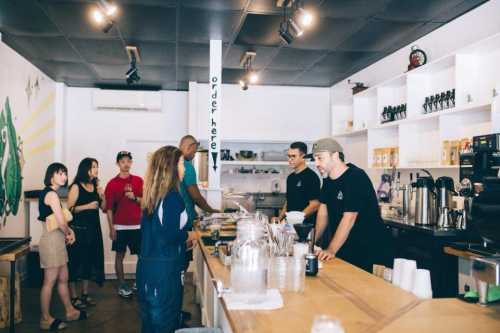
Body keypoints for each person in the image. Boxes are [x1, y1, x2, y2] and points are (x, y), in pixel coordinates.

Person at [137, 145, 197, 333]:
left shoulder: (153, 195)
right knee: (164, 323)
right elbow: (169, 235)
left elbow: (159, 232)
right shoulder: (172, 197)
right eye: (181, 163)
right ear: (170, 167)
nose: (184, 168)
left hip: (149, 268)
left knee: (151, 324)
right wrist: (192, 235)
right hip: (164, 271)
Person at [312, 138, 390, 272]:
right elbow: (322, 214)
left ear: (335, 155)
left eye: (320, 158)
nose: (316, 163)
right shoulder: (328, 181)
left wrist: (331, 249)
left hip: (368, 247)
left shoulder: (355, 177)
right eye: (315, 159)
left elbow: (349, 218)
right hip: (346, 245)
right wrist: (312, 242)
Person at [38, 163, 87, 331]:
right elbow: (60, 221)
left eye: (65, 173)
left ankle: (70, 311)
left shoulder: (53, 194)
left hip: (57, 240)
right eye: (60, 173)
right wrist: (69, 233)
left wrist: (68, 231)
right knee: (49, 281)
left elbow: (62, 221)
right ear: (51, 175)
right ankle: (45, 319)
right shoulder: (51, 194)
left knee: (63, 278)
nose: (64, 177)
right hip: (51, 241)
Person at [67, 158, 105, 309]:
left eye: (97, 166)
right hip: (78, 230)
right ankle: (74, 297)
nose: (96, 169)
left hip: (93, 230)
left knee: (88, 261)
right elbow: (69, 210)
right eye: (93, 167)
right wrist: (87, 206)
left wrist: (102, 194)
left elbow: (103, 208)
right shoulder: (76, 187)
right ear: (86, 169)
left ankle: (85, 294)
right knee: (75, 262)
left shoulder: (95, 185)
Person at [105, 151, 143, 298]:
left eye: (128, 161)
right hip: (120, 226)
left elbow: (145, 201)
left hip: (137, 226)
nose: (126, 164)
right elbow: (108, 209)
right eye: (123, 161)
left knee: (142, 256)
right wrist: (111, 228)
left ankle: (138, 282)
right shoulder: (112, 184)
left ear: (131, 163)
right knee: (119, 256)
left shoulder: (139, 181)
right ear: (118, 164)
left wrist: (134, 197)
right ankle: (122, 285)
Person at [273, 141, 321, 225]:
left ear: (303, 157)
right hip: (290, 225)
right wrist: (279, 219)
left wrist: (294, 220)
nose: (290, 159)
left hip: (305, 226)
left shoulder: (311, 177)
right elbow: (289, 202)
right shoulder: (290, 178)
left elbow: (314, 205)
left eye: (293, 156)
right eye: (289, 156)